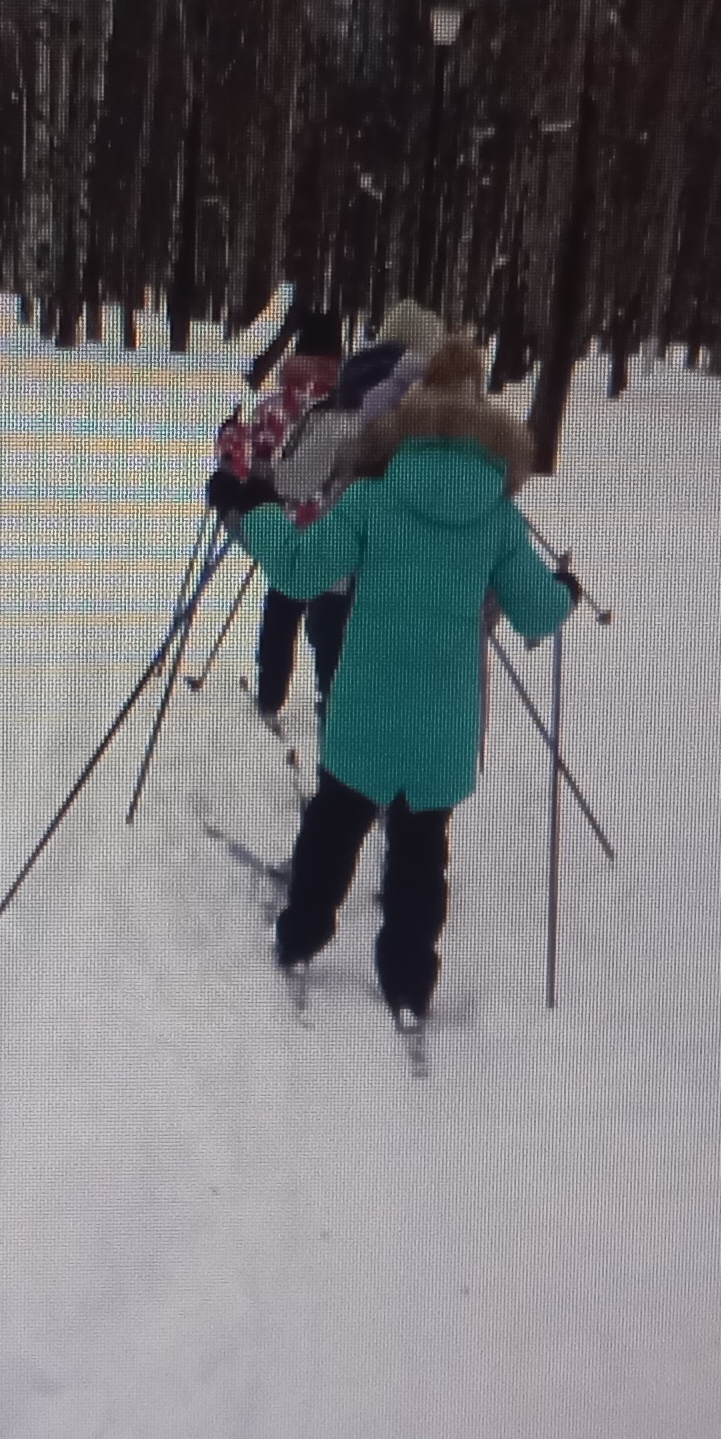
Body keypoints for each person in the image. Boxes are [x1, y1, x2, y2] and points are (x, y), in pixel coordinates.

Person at [208, 337, 580, 1024]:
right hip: (444, 720)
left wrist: (251, 502)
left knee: (333, 828)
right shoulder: (496, 517)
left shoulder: (372, 498)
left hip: (366, 707)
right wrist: (565, 590)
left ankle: (300, 936)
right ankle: (408, 981)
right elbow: (536, 611)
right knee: (420, 852)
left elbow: (296, 568)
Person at [214, 307, 350, 726]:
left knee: (282, 612)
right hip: (337, 539)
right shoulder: (352, 407)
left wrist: (229, 445)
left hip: (286, 532)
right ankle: (334, 703)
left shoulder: (275, 406)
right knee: (331, 628)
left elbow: (250, 467)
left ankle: (271, 697)